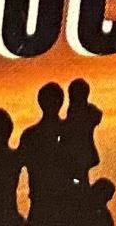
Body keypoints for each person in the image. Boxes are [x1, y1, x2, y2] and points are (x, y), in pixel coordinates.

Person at [16, 81, 72, 224]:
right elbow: (15, 169)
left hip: (61, 201)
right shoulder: (31, 136)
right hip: (43, 202)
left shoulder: (66, 132)